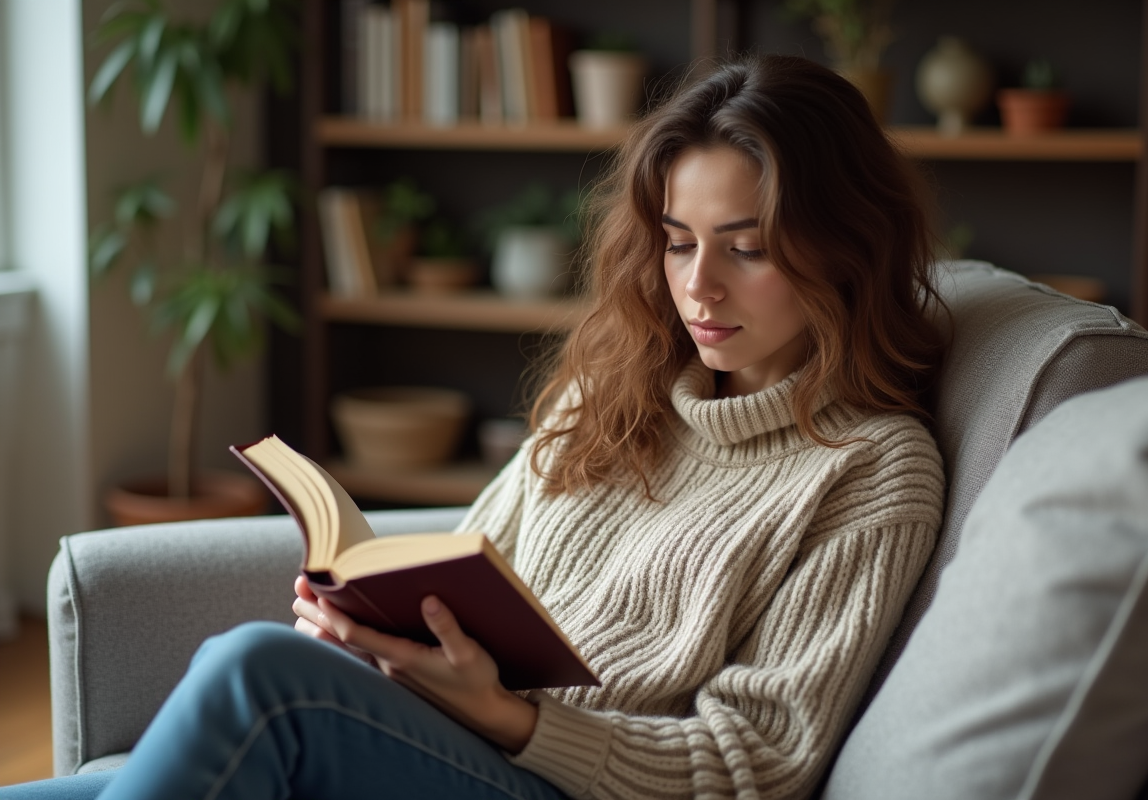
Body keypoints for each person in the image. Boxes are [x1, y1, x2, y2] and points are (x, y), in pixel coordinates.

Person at [3, 54, 946, 800]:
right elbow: (472, 561)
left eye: (747, 249)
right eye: (677, 242)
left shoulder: (871, 469)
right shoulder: (618, 391)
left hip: (564, 781)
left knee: (253, 671)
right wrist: (377, 631)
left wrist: (512, 721)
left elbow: (759, 766)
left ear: (845, 245)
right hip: (456, 735)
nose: (699, 285)